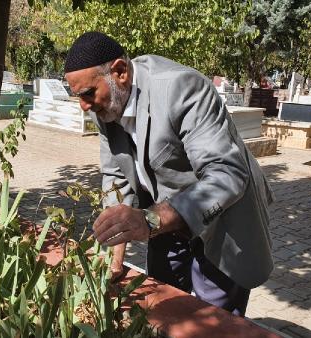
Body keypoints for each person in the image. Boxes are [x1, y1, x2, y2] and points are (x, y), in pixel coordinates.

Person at [63, 32, 274, 316]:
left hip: (222, 216)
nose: (84, 106)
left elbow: (227, 175)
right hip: (164, 218)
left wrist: (148, 219)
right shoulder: (105, 106)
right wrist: (114, 258)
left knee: (209, 319)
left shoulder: (181, 88)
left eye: (88, 94)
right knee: (161, 303)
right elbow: (117, 179)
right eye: (79, 97)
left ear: (120, 72)